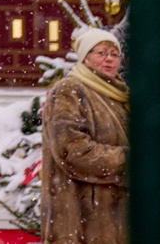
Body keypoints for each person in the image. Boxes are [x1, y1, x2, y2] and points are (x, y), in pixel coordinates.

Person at [41, 25, 129, 244]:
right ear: (85, 58)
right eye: (101, 53)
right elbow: (72, 150)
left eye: (114, 54)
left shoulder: (120, 96)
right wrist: (127, 159)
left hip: (115, 221)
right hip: (80, 220)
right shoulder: (70, 89)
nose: (109, 59)